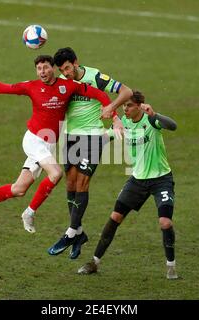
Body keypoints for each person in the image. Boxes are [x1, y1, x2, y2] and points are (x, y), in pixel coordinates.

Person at [0, 55, 113, 232]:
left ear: (53, 68)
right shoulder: (32, 86)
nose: (42, 72)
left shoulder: (67, 86)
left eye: (45, 67)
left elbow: (98, 94)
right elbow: (2, 87)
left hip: (48, 144)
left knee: (19, 189)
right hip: (34, 140)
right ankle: (29, 212)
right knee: (56, 173)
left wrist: (111, 113)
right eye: (39, 69)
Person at [77, 91, 180, 279]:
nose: (125, 108)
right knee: (115, 217)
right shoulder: (123, 123)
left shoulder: (150, 121)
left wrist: (154, 114)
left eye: (129, 105)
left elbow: (173, 126)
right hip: (137, 180)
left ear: (140, 106)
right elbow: (106, 136)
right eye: (124, 105)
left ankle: (171, 267)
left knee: (165, 222)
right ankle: (94, 262)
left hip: (161, 179)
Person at [47, 47, 132, 259]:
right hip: (71, 137)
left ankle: (70, 233)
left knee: (82, 184)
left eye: (68, 68)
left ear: (76, 62)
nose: (65, 73)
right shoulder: (62, 82)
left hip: (94, 137)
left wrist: (112, 110)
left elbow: (127, 92)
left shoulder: (96, 76)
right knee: (70, 184)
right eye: (62, 70)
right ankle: (78, 233)